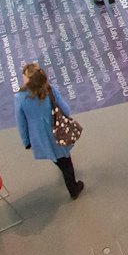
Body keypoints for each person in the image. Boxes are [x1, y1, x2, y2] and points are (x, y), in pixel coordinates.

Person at [15, 65, 84, 203]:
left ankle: (60, 167)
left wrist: (26, 141)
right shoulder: (49, 91)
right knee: (66, 162)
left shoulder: (20, 97)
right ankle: (73, 189)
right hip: (57, 133)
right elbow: (66, 109)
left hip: (39, 137)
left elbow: (21, 123)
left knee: (57, 159)